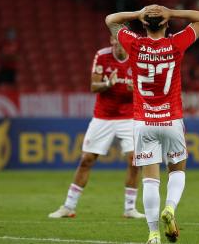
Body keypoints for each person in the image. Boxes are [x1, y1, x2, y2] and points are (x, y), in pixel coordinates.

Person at [105, 5, 199, 244]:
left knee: (150, 179)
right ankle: (170, 209)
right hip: (171, 119)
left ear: (143, 24)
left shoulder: (134, 44)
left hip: (143, 121)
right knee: (177, 170)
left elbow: (111, 19)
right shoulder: (175, 44)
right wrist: (171, 11)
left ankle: (153, 234)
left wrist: (137, 13)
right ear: (165, 24)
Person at [48, 36, 145, 219]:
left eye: (121, 43)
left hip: (129, 117)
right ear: (111, 42)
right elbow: (93, 86)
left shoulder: (138, 58)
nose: (118, 47)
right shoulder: (102, 56)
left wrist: (137, 88)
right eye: (115, 43)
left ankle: (130, 208)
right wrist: (108, 84)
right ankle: (69, 206)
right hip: (103, 116)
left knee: (134, 160)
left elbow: (148, 86)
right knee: (87, 159)